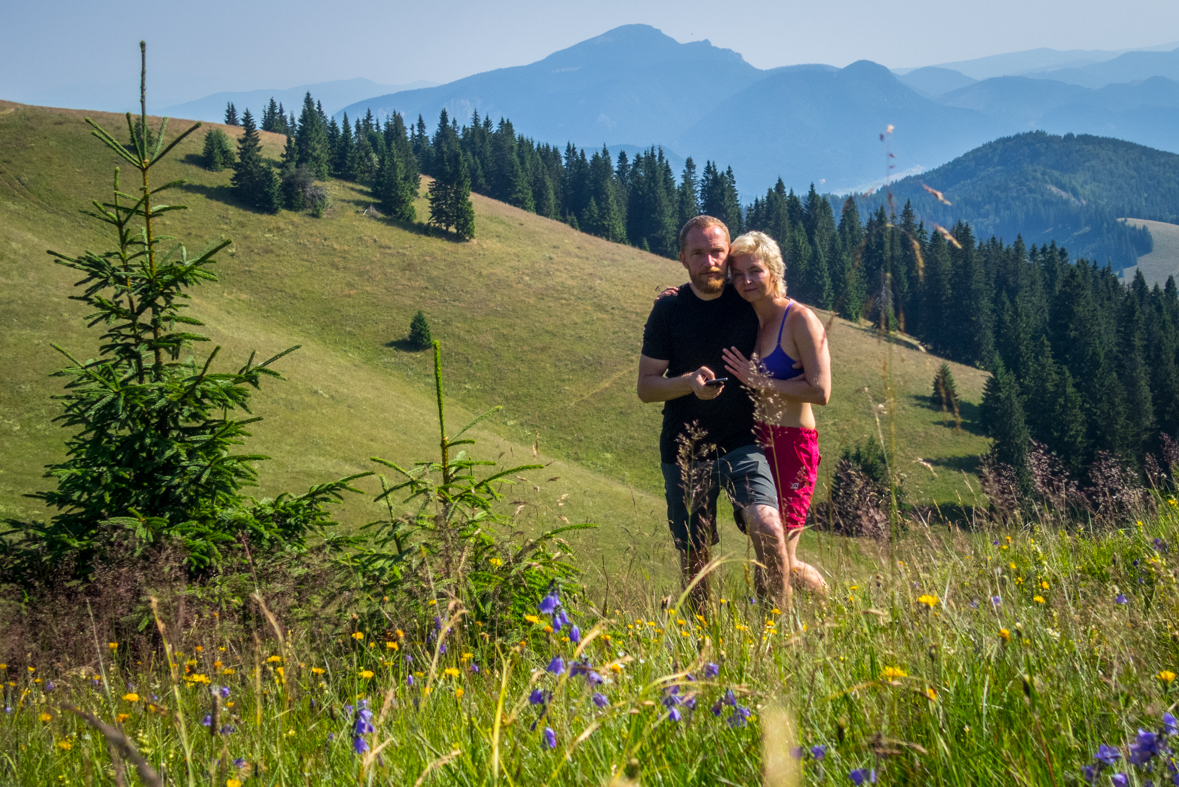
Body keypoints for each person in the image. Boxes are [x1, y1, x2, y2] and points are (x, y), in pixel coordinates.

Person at [637, 215, 794, 609]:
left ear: (729, 255)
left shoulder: (746, 299)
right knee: (696, 558)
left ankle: (779, 636)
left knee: (769, 527)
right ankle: (701, 647)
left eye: (717, 252)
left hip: (741, 443)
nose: (709, 261)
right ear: (683, 259)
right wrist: (688, 382)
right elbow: (646, 386)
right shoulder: (668, 312)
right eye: (698, 253)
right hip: (684, 450)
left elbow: (783, 308)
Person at [721, 231, 830, 593]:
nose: (746, 281)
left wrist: (759, 380)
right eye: (737, 274)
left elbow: (820, 391)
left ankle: (826, 613)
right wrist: (671, 296)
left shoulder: (799, 319)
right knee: (767, 550)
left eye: (755, 271)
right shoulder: (746, 315)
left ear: (773, 270)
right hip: (753, 445)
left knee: (782, 556)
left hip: (792, 446)